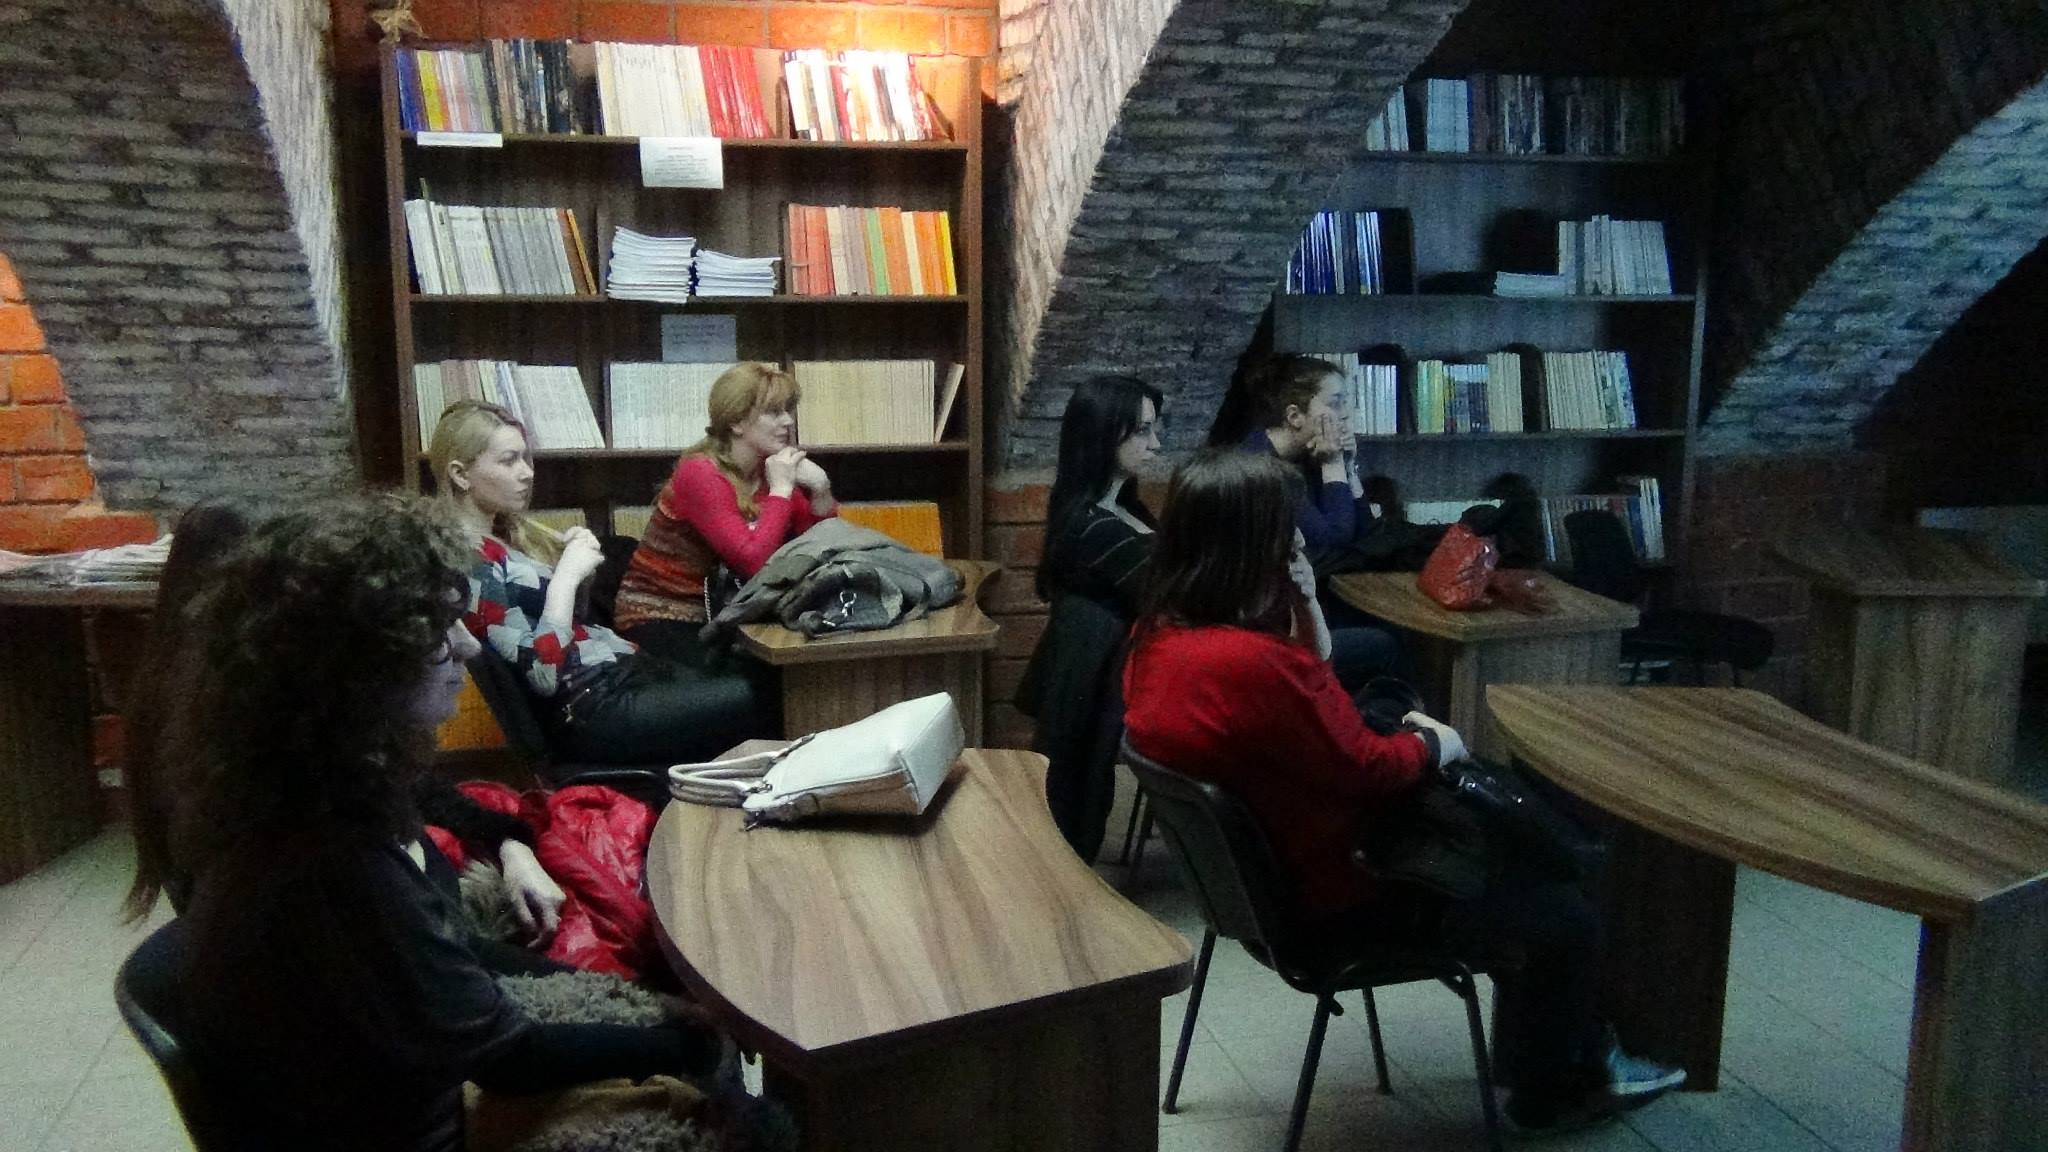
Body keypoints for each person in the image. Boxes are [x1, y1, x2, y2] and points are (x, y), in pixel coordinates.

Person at [1122, 450, 1684, 1135]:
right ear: (1251, 547)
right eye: (1285, 530)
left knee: (1531, 867)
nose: (1298, 539)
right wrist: (1435, 743)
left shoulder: (1159, 637)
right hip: (1346, 893)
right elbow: (1368, 766)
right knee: (1563, 906)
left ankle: (1557, 1059)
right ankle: (1553, 1092)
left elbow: (1309, 686)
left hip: (1259, 897)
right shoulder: (1251, 664)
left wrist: (1302, 600)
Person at [161, 495, 719, 1151]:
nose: (467, 642)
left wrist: (627, 999)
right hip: (417, 1133)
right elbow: (509, 1057)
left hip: (415, 1086)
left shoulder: (324, 779)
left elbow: (453, 953)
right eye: (436, 632)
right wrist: (693, 1042)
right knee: (744, 1118)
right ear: (355, 668)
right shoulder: (332, 858)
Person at [121, 501, 568, 965]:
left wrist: (508, 840)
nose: (465, 645)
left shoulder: (242, 709)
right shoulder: (303, 812)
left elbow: (406, 785)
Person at [429, 401, 769, 766]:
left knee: (773, 676)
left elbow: (568, 622)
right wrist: (566, 576)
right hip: (595, 705)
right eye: (509, 461)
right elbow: (544, 674)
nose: (526, 473)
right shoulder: (469, 565)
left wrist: (580, 574)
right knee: (775, 695)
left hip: (623, 677)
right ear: (460, 475)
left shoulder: (503, 540)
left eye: (526, 459)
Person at [1019, 375, 1162, 859]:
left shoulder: (1118, 506)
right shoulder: (1092, 524)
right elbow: (1170, 594)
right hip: (1092, 672)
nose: (1155, 444)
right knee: (1076, 800)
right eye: (1142, 431)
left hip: (1099, 664)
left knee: (1084, 794)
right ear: (1103, 434)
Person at [613, 361, 837, 658]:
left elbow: (819, 549)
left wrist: (821, 490)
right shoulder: (700, 473)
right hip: (662, 616)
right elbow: (752, 562)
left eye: (788, 410)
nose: (788, 421)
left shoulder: (770, 469)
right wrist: (782, 490)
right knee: (762, 675)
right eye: (774, 412)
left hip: (733, 614)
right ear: (736, 422)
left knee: (812, 662)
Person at [1237, 353, 1401, 688]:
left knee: (1388, 624)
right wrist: (1333, 465)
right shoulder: (1260, 467)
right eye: (1336, 403)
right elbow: (1333, 538)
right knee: (1388, 642)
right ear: (1294, 416)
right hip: (1267, 627)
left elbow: (1367, 536)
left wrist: (1349, 468)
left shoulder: (1302, 456)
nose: (1346, 415)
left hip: (1304, 603)